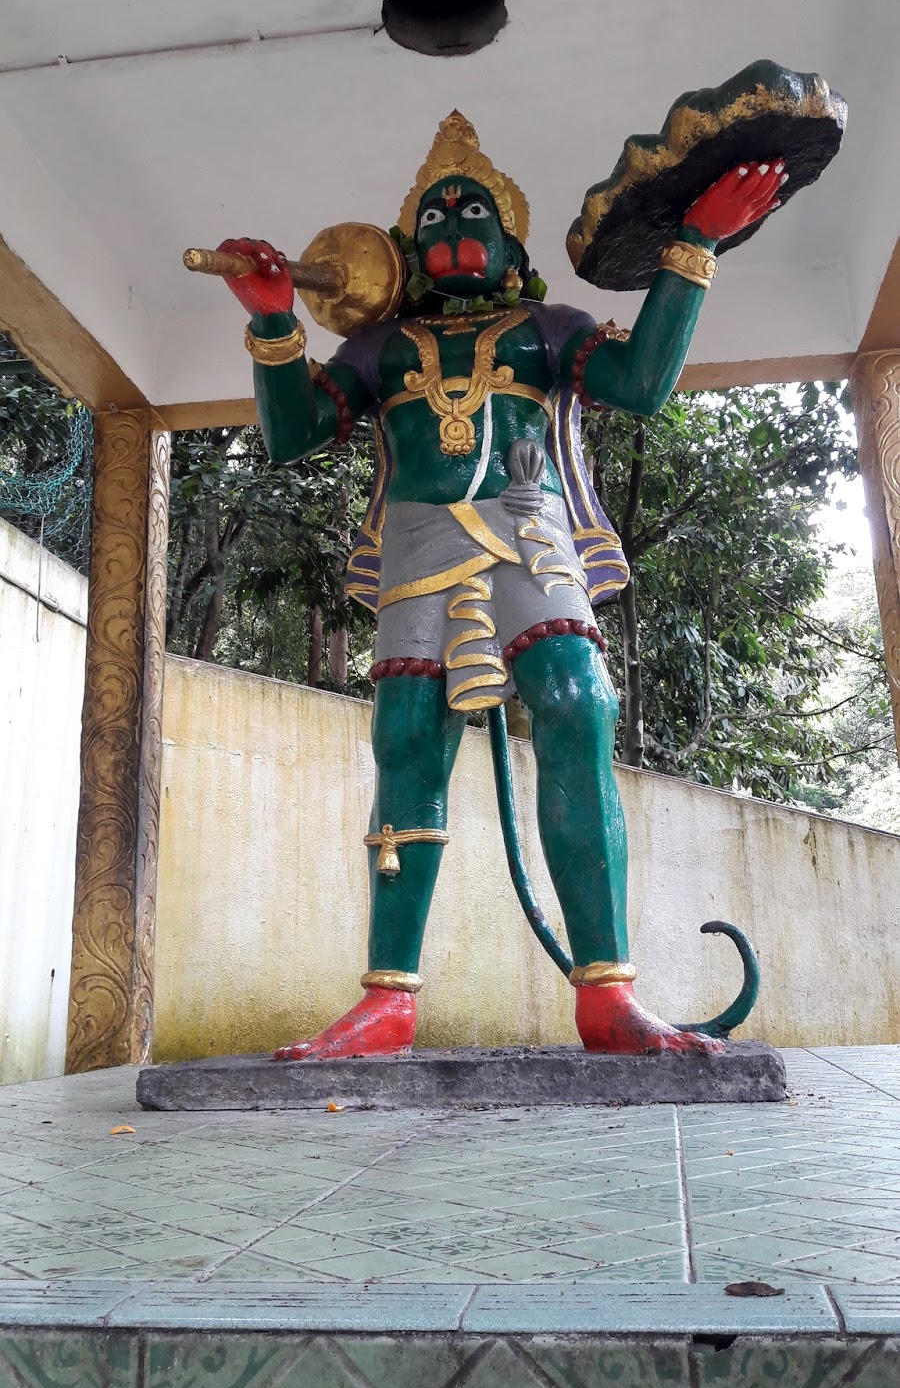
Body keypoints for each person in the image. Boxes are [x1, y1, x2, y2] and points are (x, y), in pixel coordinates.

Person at [218, 112, 785, 1060]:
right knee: (405, 740)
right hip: (416, 542)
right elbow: (293, 435)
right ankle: (388, 999)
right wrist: (274, 318)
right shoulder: (379, 349)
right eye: (433, 215)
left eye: (471, 208)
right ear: (403, 253)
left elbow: (643, 385)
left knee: (574, 702)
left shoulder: (548, 331)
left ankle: (606, 992)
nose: (451, 223)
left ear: (514, 244)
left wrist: (695, 243)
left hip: (531, 527)